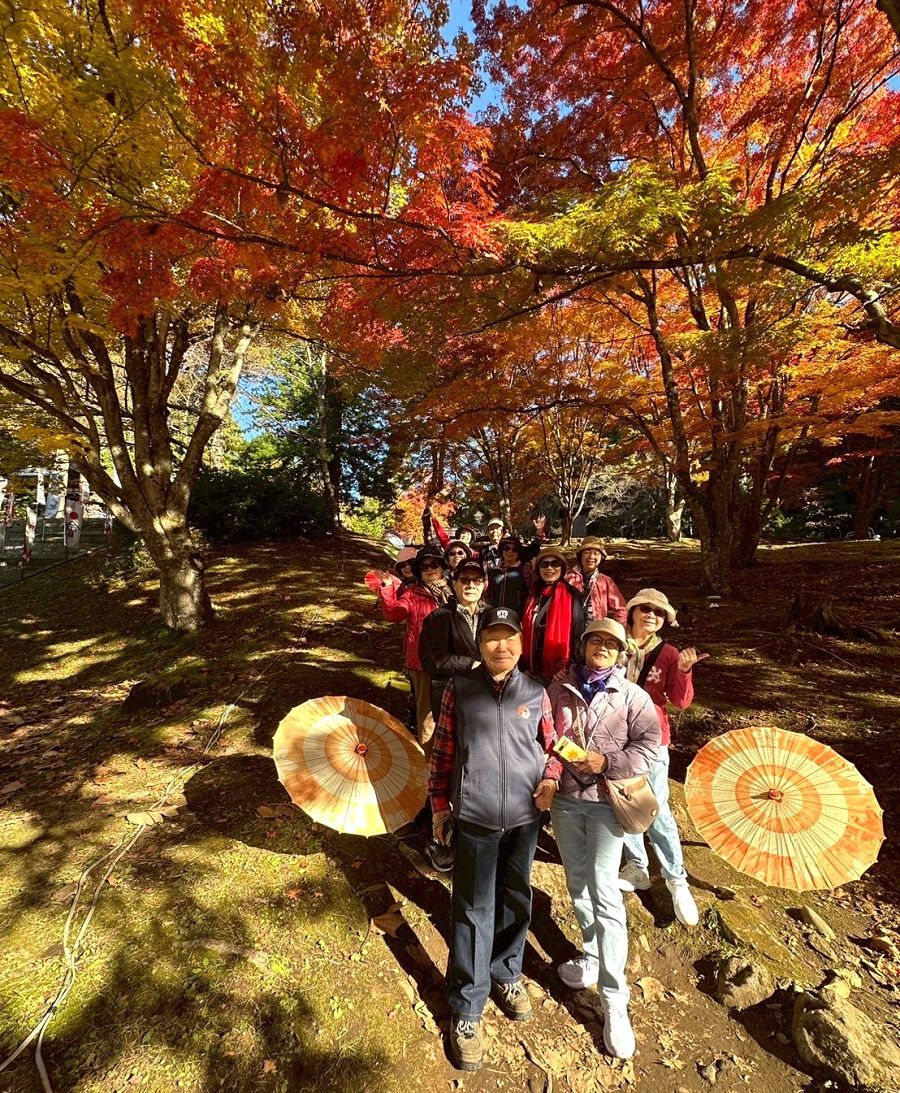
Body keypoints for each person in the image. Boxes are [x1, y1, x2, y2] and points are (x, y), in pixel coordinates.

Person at [429, 607, 561, 1072]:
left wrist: (551, 780)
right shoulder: (459, 691)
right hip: (476, 817)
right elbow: (443, 750)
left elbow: (553, 749)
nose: (500, 647)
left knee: (516, 897)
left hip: (525, 819)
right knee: (471, 907)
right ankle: (466, 1006)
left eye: (509, 638)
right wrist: (440, 806)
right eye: (491, 638)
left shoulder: (537, 692)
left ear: (521, 645)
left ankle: (507, 972)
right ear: (479, 644)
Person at [547, 618, 661, 1060]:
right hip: (565, 802)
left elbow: (649, 747)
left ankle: (615, 1001)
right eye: (596, 640)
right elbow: (548, 738)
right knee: (577, 882)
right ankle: (592, 956)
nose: (603, 649)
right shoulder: (559, 689)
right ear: (584, 645)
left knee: (604, 890)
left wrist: (606, 762)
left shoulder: (633, 696)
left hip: (607, 803)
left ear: (620, 654)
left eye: (611, 645)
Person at [618, 589, 707, 927]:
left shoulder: (669, 654)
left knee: (657, 810)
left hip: (653, 738)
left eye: (658, 612)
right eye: (645, 609)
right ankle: (637, 866)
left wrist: (684, 671)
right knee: (625, 803)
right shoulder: (615, 642)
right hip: (615, 736)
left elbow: (681, 702)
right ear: (633, 612)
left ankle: (676, 879)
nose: (651, 616)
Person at [418, 558, 488, 871]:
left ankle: (473, 825)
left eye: (476, 580)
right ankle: (441, 834)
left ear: (484, 583)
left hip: (485, 700)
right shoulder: (439, 617)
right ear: (454, 582)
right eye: (465, 580)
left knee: (477, 759)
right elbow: (431, 659)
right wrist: (469, 664)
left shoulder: (493, 616)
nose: (470, 585)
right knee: (447, 761)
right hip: (449, 696)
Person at [370, 546, 452, 758]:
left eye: (434, 564)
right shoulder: (413, 593)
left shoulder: (454, 590)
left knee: (455, 711)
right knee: (427, 716)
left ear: (442, 567)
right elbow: (395, 614)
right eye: (424, 567)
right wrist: (388, 588)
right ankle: (429, 763)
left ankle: (452, 759)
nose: (430, 569)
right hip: (422, 663)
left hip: (452, 661)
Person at [521, 545, 584, 685]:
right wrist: (524, 666)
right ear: (538, 569)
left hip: (558, 673)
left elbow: (578, 634)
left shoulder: (571, 595)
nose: (550, 568)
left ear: (562, 568)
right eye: (544, 564)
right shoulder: (532, 594)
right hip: (531, 668)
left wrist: (570, 667)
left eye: (555, 564)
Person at [565, 537, 628, 624]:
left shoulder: (606, 582)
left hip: (595, 633)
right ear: (580, 556)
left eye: (596, 553)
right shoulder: (567, 577)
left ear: (601, 558)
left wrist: (618, 631)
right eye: (587, 552)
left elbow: (621, 609)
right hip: (567, 632)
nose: (591, 557)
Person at [485, 535, 528, 615]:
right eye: (506, 548)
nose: (510, 552)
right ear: (502, 551)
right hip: (495, 615)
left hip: (516, 616)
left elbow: (531, 593)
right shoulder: (494, 570)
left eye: (514, 549)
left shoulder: (524, 569)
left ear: (519, 553)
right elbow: (488, 594)